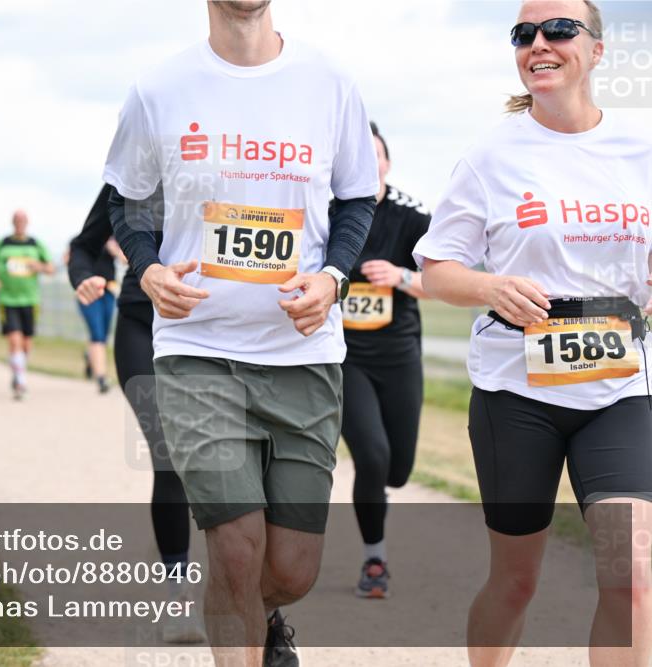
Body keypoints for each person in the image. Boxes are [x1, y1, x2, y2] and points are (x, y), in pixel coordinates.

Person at [103, 2, 379, 664]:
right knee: (234, 547)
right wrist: (148, 268)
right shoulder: (158, 88)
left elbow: (356, 197)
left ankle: (264, 616)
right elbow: (127, 201)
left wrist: (334, 276)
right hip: (197, 349)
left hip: (303, 354)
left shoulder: (330, 83)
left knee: (291, 569)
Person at [415, 2, 651, 665]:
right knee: (516, 581)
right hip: (517, 395)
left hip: (618, 389)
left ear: (597, 50)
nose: (539, 43)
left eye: (559, 29)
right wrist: (491, 288)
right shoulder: (491, 156)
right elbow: (437, 270)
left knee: (632, 578)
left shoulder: (640, 149)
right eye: (524, 34)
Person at [69, 183, 205, 643]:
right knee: (170, 456)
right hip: (142, 325)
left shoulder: (233, 161)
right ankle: (179, 595)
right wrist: (83, 276)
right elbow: (85, 245)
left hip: (215, 333)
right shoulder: (133, 175)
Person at [338, 122, 432, 599]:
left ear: (387, 163)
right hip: (345, 357)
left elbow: (444, 283)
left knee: (397, 470)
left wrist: (401, 276)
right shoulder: (328, 211)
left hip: (399, 356)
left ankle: (380, 494)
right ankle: (374, 559)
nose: (366, 161)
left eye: (374, 153)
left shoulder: (413, 216)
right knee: (372, 458)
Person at [0, 210, 54, 400]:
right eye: (17, 220)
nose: (20, 223)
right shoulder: (1, 244)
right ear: (12, 222)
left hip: (30, 300)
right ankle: (21, 382)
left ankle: (17, 371)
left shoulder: (36, 244)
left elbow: (51, 268)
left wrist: (39, 266)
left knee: (26, 344)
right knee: (14, 340)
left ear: (27, 222)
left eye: (23, 220)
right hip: (7, 299)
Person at [71, 231, 124, 394]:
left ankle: (90, 356)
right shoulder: (81, 241)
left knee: (104, 334)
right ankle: (101, 378)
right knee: (97, 333)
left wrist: (114, 249)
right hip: (88, 292)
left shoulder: (114, 240)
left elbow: (126, 260)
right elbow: (69, 261)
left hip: (108, 292)